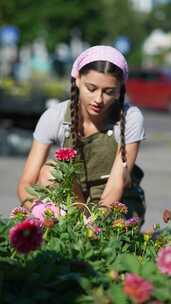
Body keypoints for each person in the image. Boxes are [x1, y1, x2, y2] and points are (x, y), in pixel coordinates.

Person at [17, 45, 145, 222]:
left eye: (109, 92)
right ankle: (65, 223)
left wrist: (93, 224)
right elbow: (26, 183)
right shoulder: (55, 117)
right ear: (77, 79)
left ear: (120, 89)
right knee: (51, 171)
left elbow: (116, 184)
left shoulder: (130, 118)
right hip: (73, 201)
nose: (98, 99)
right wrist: (40, 212)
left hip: (115, 205)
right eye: (91, 88)